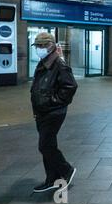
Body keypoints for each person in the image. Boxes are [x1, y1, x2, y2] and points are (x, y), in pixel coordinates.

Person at [30, 33, 77, 193]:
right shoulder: (44, 62)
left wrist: (53, 102)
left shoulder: (59, 64)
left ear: (50, 45)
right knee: (48, 145)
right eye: (37, 46)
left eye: (42, 46)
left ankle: (66, 170)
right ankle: (52, 179)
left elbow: (70, 86)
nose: (39, 49)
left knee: (45, 146)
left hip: (53, 112)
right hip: (42, 112)